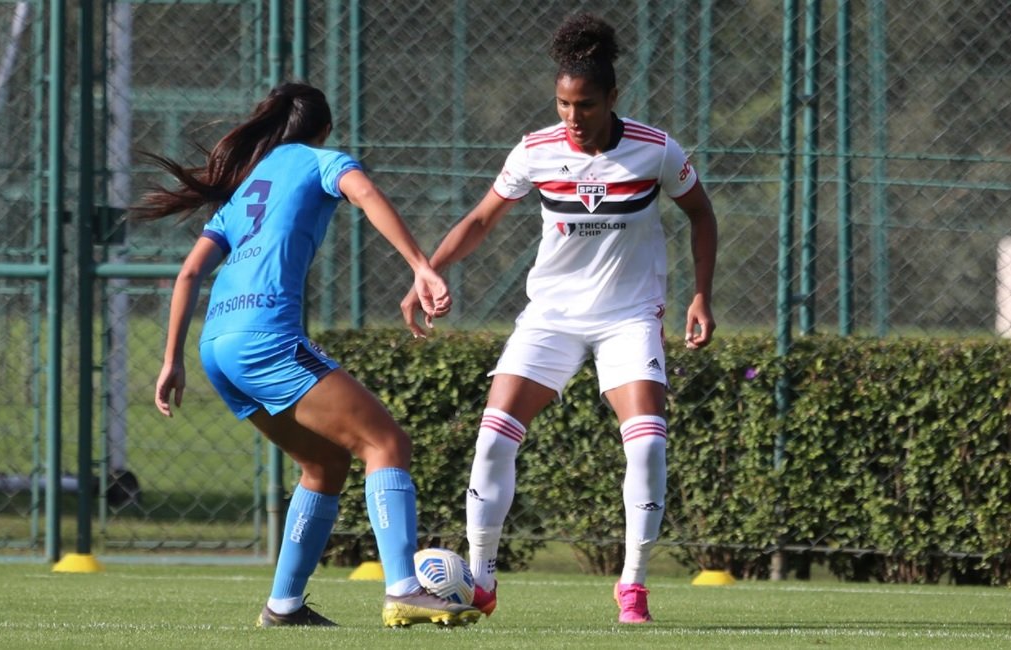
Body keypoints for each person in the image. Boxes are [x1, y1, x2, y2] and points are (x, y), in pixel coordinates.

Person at [400, 13, 718, 624]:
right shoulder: (536, 150)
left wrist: (701, 295)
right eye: (563, 104)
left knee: (648, 442)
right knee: (494, 433)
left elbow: (701, 215)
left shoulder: (656, 151)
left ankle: (633, 587)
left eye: (586, 105)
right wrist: (428, 270)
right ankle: (483, 580)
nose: (572, 117)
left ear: (612, 99)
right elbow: (481, 220)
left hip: (629, 317)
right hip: (550, 316)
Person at [131, 82, 481, 629]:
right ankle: (405, 589)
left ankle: (284, 606)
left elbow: (189, 272)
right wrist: (420, 264)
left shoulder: (246, 190)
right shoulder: (323, 161)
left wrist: (170, 360)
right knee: (386, 443)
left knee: (324, 464)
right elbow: (364, 194)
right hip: (264, 336)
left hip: (216, 348)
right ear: (324, 129)